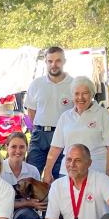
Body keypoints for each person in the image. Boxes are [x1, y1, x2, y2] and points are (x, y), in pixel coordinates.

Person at [42, 76, 109, 184]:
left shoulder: (104, 115)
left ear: (92, 94)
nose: (80, 97)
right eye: (77, 94)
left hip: (95, 172)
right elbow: (56, 147)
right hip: (67, 173)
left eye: (85, 93)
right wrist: (47, 171)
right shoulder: (65, 117)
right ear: (72, 96)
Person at [25, 46, 74, 179]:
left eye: (58, 61)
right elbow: (30, 112)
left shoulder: (73, 84)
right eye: (50, 61)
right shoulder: (37, 84)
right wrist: (33, 130)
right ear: (45, 62)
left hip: (63, 137)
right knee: (30, 175)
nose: (54, 64)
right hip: (39, 136)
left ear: (64, 61)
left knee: (59, 178)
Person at [0, 132, 46, 219]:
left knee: (29, 216)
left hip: (23, 215)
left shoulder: (33, 171)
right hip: (1, 214)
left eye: (22, 147)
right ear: (6, 147)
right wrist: (27, 203)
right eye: (13, 147)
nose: (18, 151)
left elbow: (38, 199)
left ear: (27, 148)